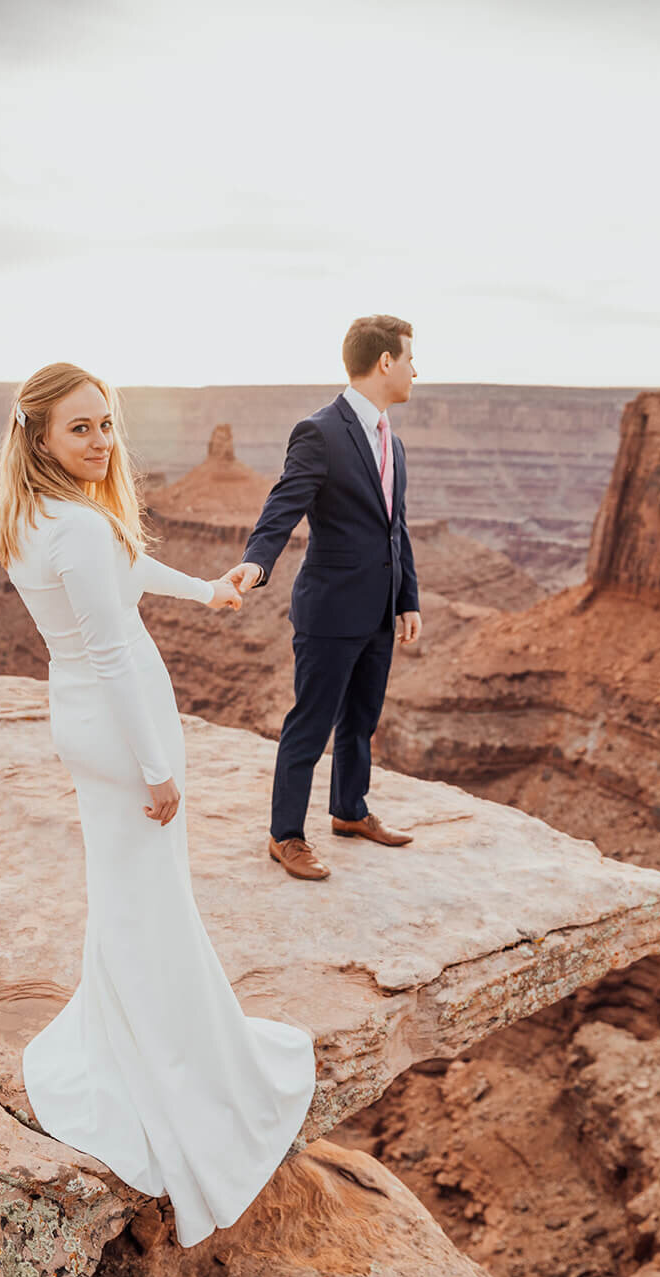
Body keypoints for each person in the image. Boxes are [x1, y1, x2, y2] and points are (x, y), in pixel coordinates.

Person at [0, 362, 317, 1249]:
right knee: (151, 899)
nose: (100, 441)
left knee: (128, 893)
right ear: (40, 438)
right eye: (80, 429)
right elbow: (114, 654)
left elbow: (125, 571)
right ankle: (166, 1067)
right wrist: (158, 769)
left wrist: (206, 589)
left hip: (82, 720)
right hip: (120, 728)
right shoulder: (78, 529)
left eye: (106, 424)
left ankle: (128, 1028)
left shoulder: (33, 517)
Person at [223, 315, 422, 882]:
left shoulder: (393, 442)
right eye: (410, 359)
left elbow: (396, 526)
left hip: (380, 609)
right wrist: (257, 562)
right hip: (331, 610)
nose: (416, 371)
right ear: (385, 361)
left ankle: (350, 811)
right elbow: (284, 503)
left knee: (362, 719)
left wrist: (407, 598)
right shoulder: (320, 431)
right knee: (310, 723)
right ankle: (285, 834)